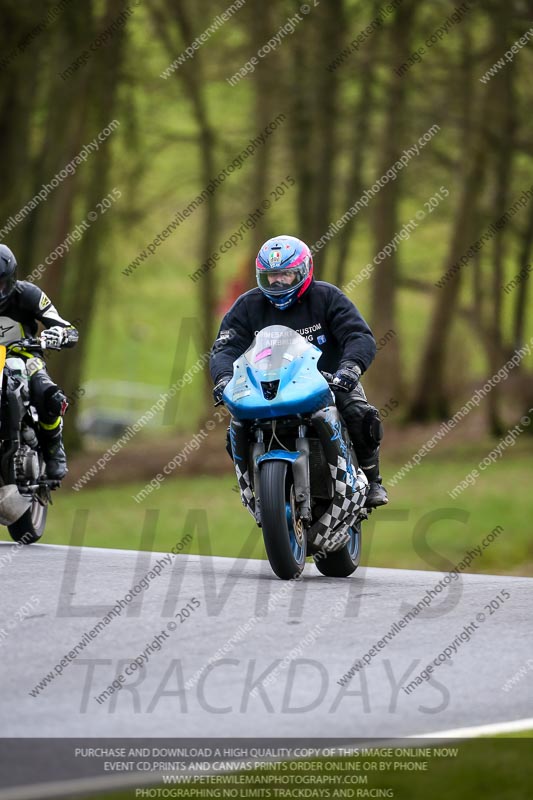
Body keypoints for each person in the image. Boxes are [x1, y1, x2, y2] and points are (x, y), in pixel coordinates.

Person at [209, 234, 388, 507]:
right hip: (266, 388)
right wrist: (224, 379)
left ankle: (372, 480)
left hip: (329, 382)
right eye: (271, 276)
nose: (278, 281)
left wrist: (350, 370)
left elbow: (358, 336)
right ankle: (256, 488)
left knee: (359, 414)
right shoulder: (247, 305)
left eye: (286, 274)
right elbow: (225, 347)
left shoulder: (327, 297)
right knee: (236, 428)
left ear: (304, 272)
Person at [0, 244, 78, 479]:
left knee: (48, 393)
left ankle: (54, 449)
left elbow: (68, 329)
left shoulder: (29, 294)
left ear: (11, 279)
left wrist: (59, 335)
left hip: (24, 357)